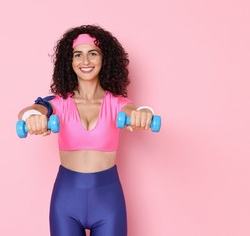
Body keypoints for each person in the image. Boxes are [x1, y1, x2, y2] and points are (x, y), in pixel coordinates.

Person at [18, 25, 154, 236]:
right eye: (78, 55)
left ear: (104, 58)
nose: (86, 61)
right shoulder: (60, 102)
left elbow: (134, 111)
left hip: (108, 200)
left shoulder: (117, 103)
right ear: (69, 61)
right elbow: (33, 110)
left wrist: (142, 114)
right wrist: (32, 117)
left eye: (93, 53)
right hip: (66, 200)